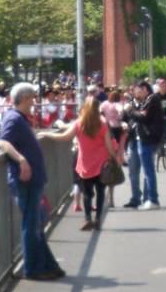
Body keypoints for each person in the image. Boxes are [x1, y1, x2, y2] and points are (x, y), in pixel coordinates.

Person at [0, 83, 65, 281]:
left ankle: (47, 265)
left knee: (34, 224)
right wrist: (21, 159)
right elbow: (2, 142)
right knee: (31, 224)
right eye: (32, 98)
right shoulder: (14, 118)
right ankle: (33, 268)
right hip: (26, 180)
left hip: (32, 180)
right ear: (25, 98)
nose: (34, 101)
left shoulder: (20, 119)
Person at [50, 95, 120, 231]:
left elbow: (65, 137)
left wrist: (47, 135)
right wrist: (114, 158)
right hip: (102, 164)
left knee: (87, 194)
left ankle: (87, 218)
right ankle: (98, 219)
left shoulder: (79, 123)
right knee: (100, 192)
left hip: (85, 164)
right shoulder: (102, 124)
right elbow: (109, 146)